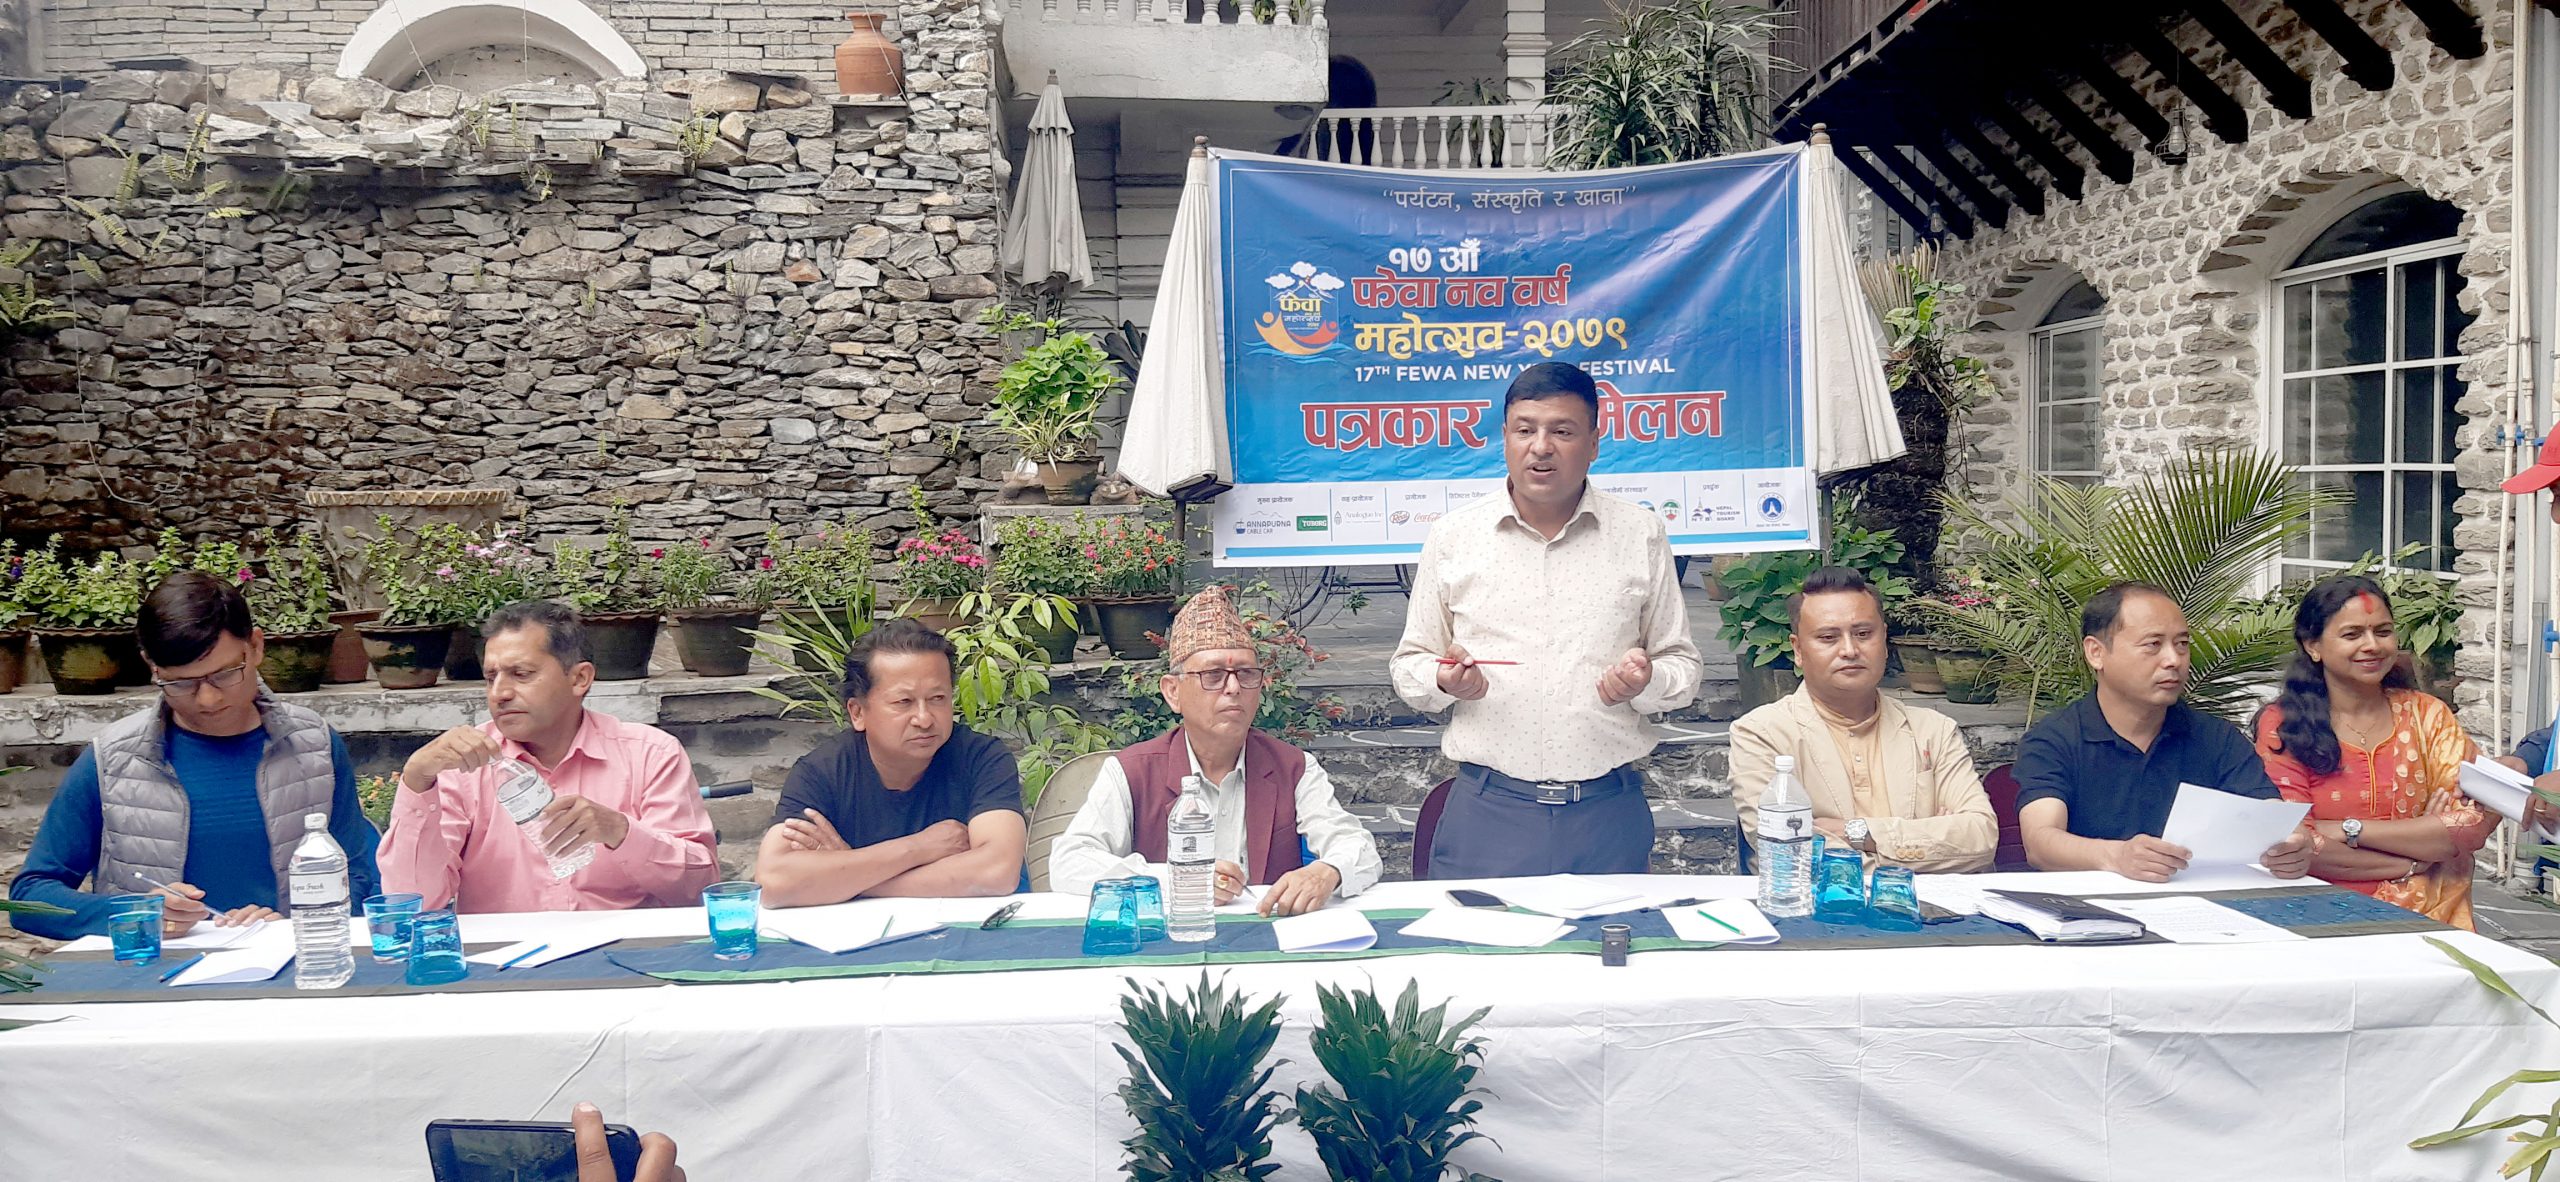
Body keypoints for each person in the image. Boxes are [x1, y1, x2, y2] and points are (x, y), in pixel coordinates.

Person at [1391, 361, 1703, 878]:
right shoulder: (1455, 537)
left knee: (1617, 934)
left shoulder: (1640, 534)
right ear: (1505, 439)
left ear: (1594, 443)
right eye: (1525, 430)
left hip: (1606, 813)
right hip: (1488, 812)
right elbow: (1409, 665)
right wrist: (1443, 680)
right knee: (1474, 933)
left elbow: (1683, 667)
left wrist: (1645, 682)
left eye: (1562, 431)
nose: (1541, 447)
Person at [8, 572, 381, 940]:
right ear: (152, 666)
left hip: (290, 966)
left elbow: (359, 878)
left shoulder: (314, 745)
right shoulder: (113, 760)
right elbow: (30, 897)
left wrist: (289, 927)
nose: (208, 698)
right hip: (157, 974)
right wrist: (135, 913)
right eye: (180, 682)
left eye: (225, 674)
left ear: (255, 646)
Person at [1051, 585, 1382, 915]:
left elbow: (1358, 846)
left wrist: (1327, 872)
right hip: (1171, 933)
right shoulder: (1132, 771)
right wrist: (1177, 878)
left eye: (1246, 673)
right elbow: (1070, 861)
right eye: (1213, 675)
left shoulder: (1292, 767)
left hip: (1266, 934)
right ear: (1173, 692)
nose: (1233, 688)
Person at [380, 601, 718, 912]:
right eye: (491, 677)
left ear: (579, 679)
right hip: (505, 955)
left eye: (521, 674)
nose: (499, 693)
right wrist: (417, 781)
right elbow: (413, 904)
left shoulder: (649, 753)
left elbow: (698, 889)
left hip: (625, 950)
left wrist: (620, 831)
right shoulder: (464, 764)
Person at [2011, 582, 2314, 883]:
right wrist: (2116, 856)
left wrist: (2292, 846)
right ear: (2096, 652)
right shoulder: (2054, 739)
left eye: (2182, 644)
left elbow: (2273, 817)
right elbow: (2040, 842)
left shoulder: (2216, 738)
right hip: (2088, 905)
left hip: (2199, 902)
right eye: (2153, 645)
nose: (2174, 660)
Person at [2254, 575, 2493, 928]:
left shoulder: (2427, 715)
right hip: (2317, 914)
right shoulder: (2284, 725)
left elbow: (2468, 828)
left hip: (2430, 916)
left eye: (2383, 632)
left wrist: (2347, 829)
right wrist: (2414, 856)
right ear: (2313, 646)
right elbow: (2294, 844)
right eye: (2352, 635)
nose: (2372, 645)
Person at [1728, 567, 1996, 872]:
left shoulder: (1932, 730)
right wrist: (1931, 846)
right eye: (1828, 637)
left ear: (1884, 640)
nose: (1849, 650)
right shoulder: (1762, 733)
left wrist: (1856, 832)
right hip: (1816, 903)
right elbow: (1788, 854)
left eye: (1863, 634)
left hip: (1933, 903)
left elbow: (1981, 837)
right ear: (1798, 649)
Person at [755, 619, 1027, 906]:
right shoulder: (822, 772)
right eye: (903, 702)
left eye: (937, 698)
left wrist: (850, 876)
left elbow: (997, 872)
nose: (924, 719)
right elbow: (773, 883)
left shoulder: (982, 758)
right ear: (858, 712)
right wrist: (917, 848)